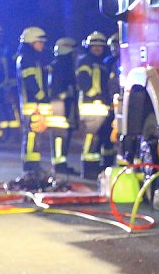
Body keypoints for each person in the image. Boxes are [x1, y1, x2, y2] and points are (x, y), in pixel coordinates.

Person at [76, 31, 115, 178]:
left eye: (100, 46)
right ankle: (88, 169)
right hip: (90, 105)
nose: (97, 48)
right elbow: (83, 80)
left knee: (104, 138)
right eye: (94, 46)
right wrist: (93, 93)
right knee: (91, 138)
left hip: (102, 107)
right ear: (89, 47)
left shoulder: (102, 63)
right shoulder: (85, 60)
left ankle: (103, 167)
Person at [14, 26, 51, 174]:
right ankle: (31, 165)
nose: (42, 45)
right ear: (31, 42)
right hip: (32, 103)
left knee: (34, 135)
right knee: (31, 135)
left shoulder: (32, 58)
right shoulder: (26, 59)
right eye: (39, 42)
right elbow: (30, 81)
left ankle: (33, 164)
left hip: (34, 103)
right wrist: (42, 96)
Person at [47, 37, 79, 174]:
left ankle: (62, 163)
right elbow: (57, 89)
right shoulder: (61, 66)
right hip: (60, 106)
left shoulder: (61, 65)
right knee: (60, 136)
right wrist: (68, 94)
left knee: (63, 136)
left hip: (63, 105)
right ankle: (60, 165)